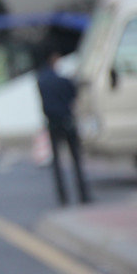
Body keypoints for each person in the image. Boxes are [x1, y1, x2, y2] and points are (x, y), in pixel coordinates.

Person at [37, 50, 91, 205]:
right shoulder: (63, 80)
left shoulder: (41, 80)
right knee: (76, 160)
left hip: (52, 123)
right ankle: (83, 195)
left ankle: (62, 198)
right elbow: (73, 95)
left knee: (57, 164)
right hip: (67, 121)